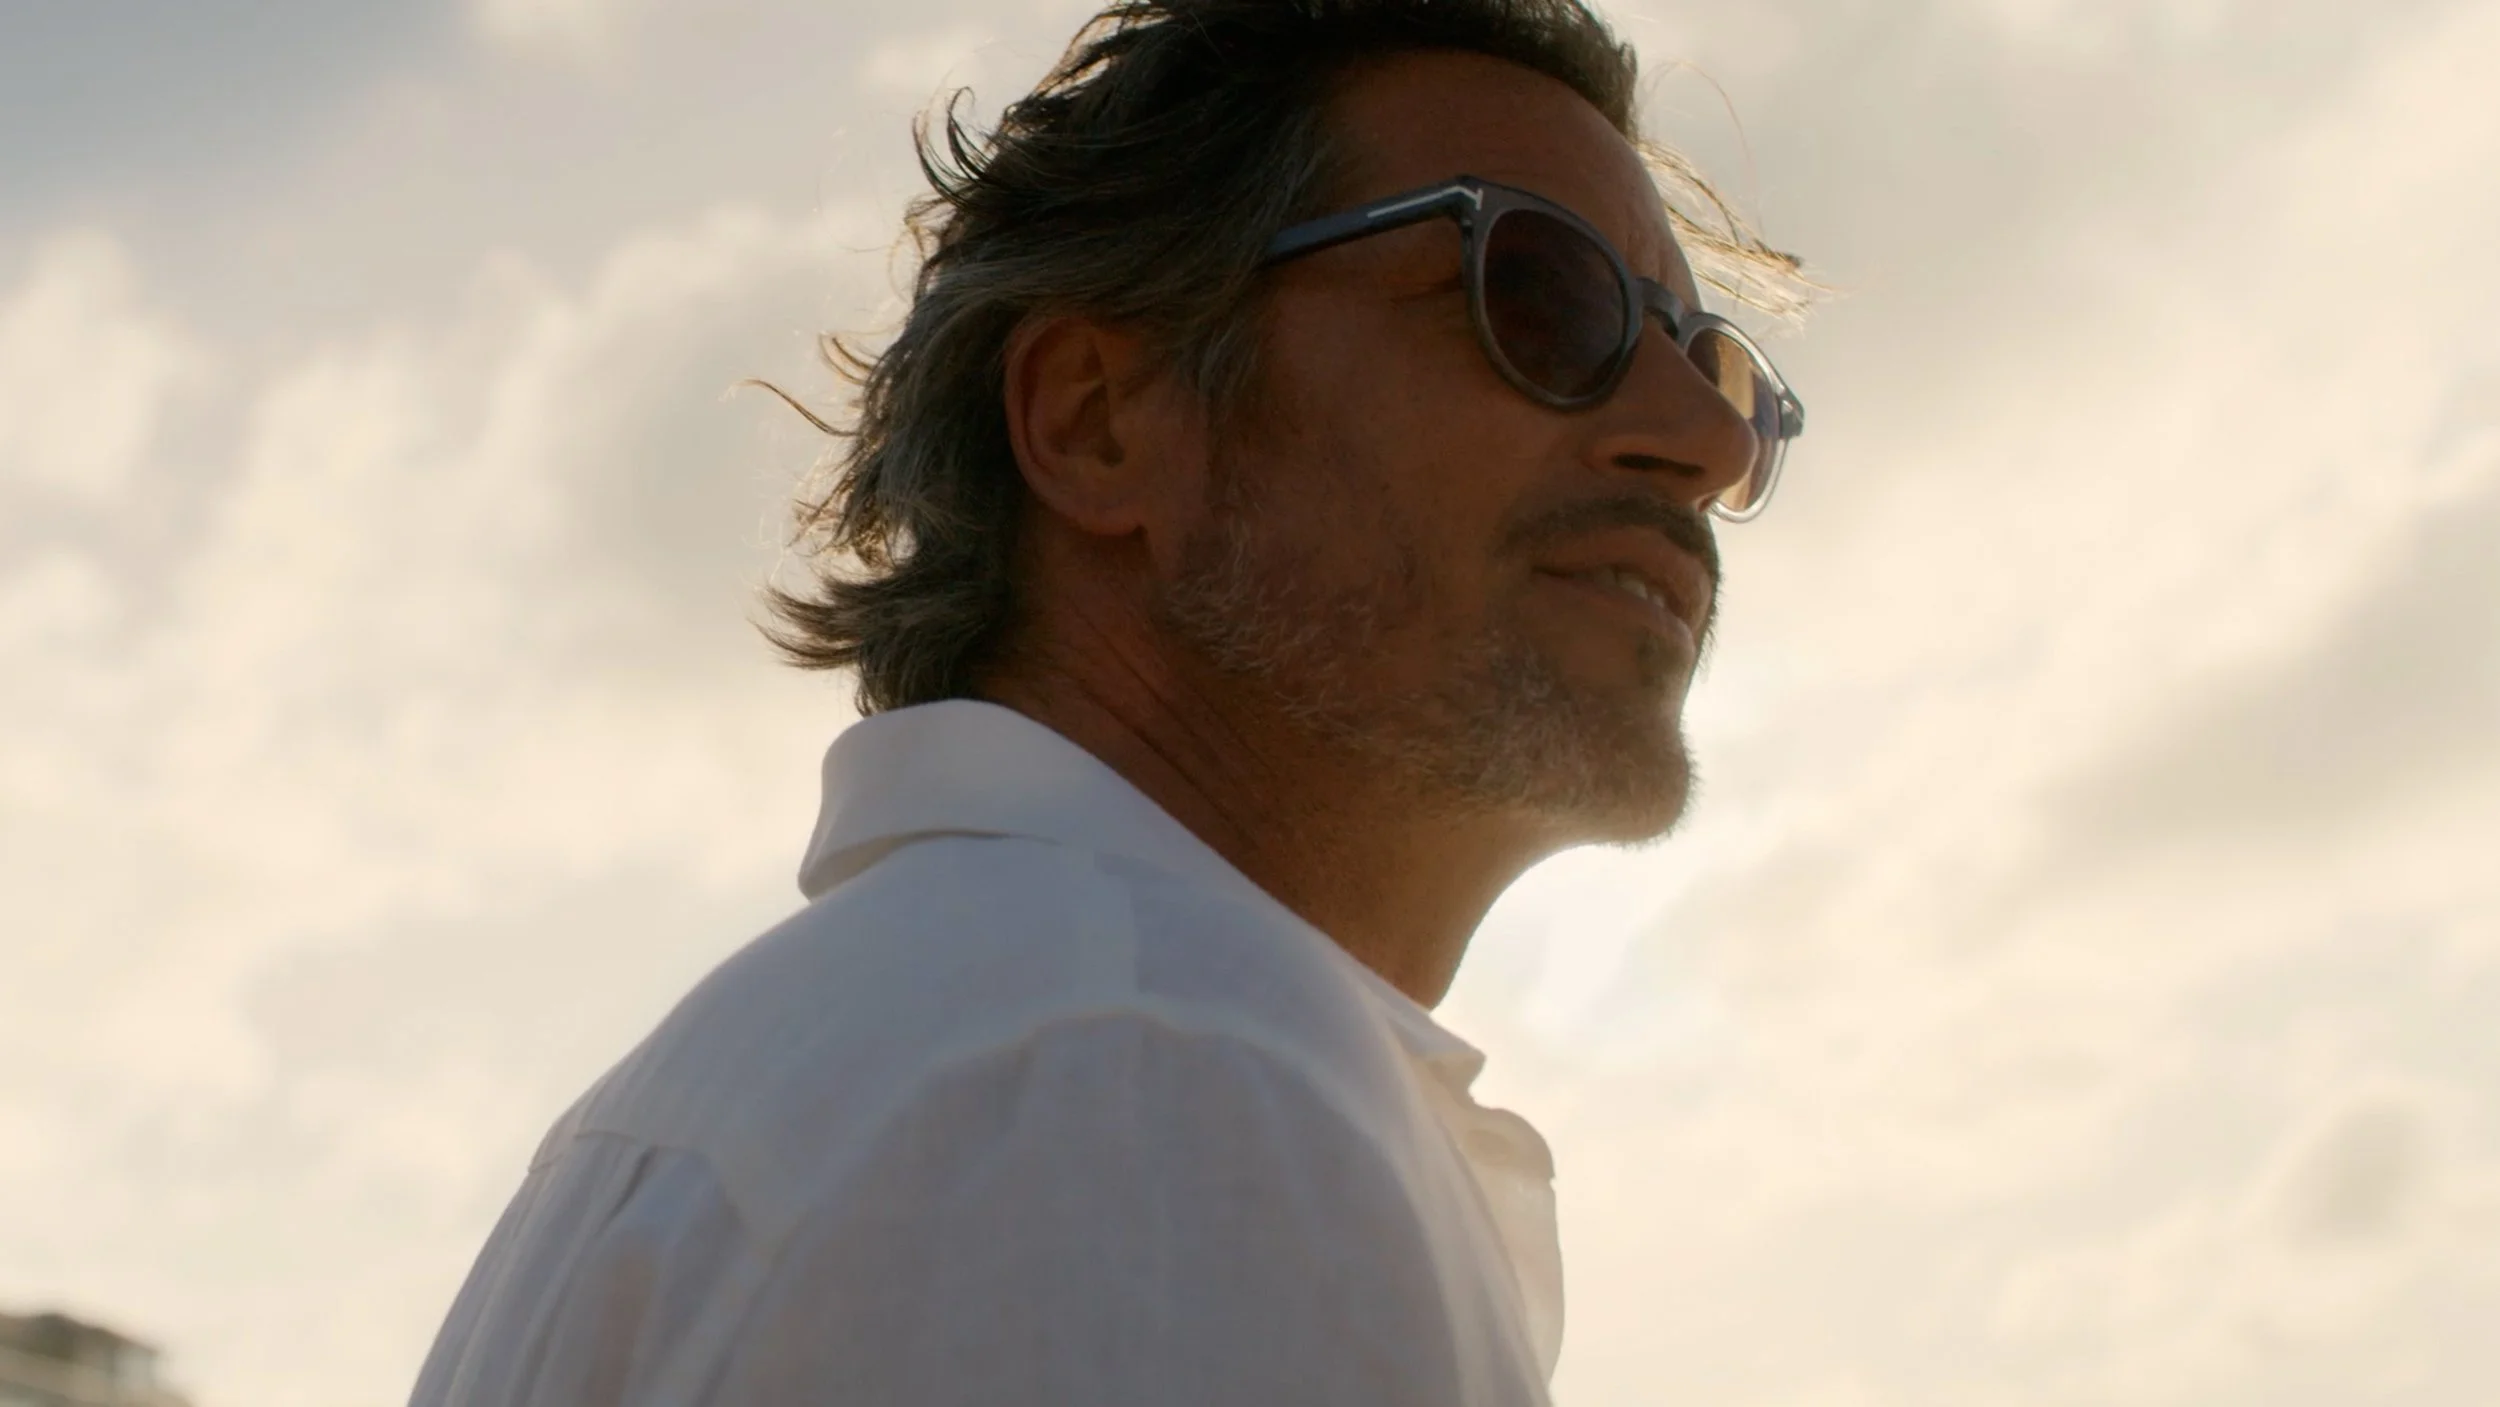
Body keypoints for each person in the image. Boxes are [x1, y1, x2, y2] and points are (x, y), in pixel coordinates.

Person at [411, 1, 1810, 1403]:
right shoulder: (1141, 1078)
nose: (1702, 441)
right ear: (1098, 419)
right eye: (1543, 297)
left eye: (1723, 374)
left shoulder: (857, 1074)